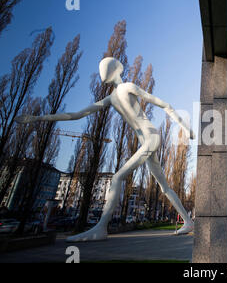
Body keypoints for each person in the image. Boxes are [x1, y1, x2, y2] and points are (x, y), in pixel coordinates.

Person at [16, 57, 195, 242]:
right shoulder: (111, 98)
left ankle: (101, 228)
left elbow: (164, 104)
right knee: (164, 186)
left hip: (151, 137)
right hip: (147, 141)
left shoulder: (127, 87)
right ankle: (188, 222)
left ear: (113, 71)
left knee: (117, 177)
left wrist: (185, 127)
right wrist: (39, 118)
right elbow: (76, 115)